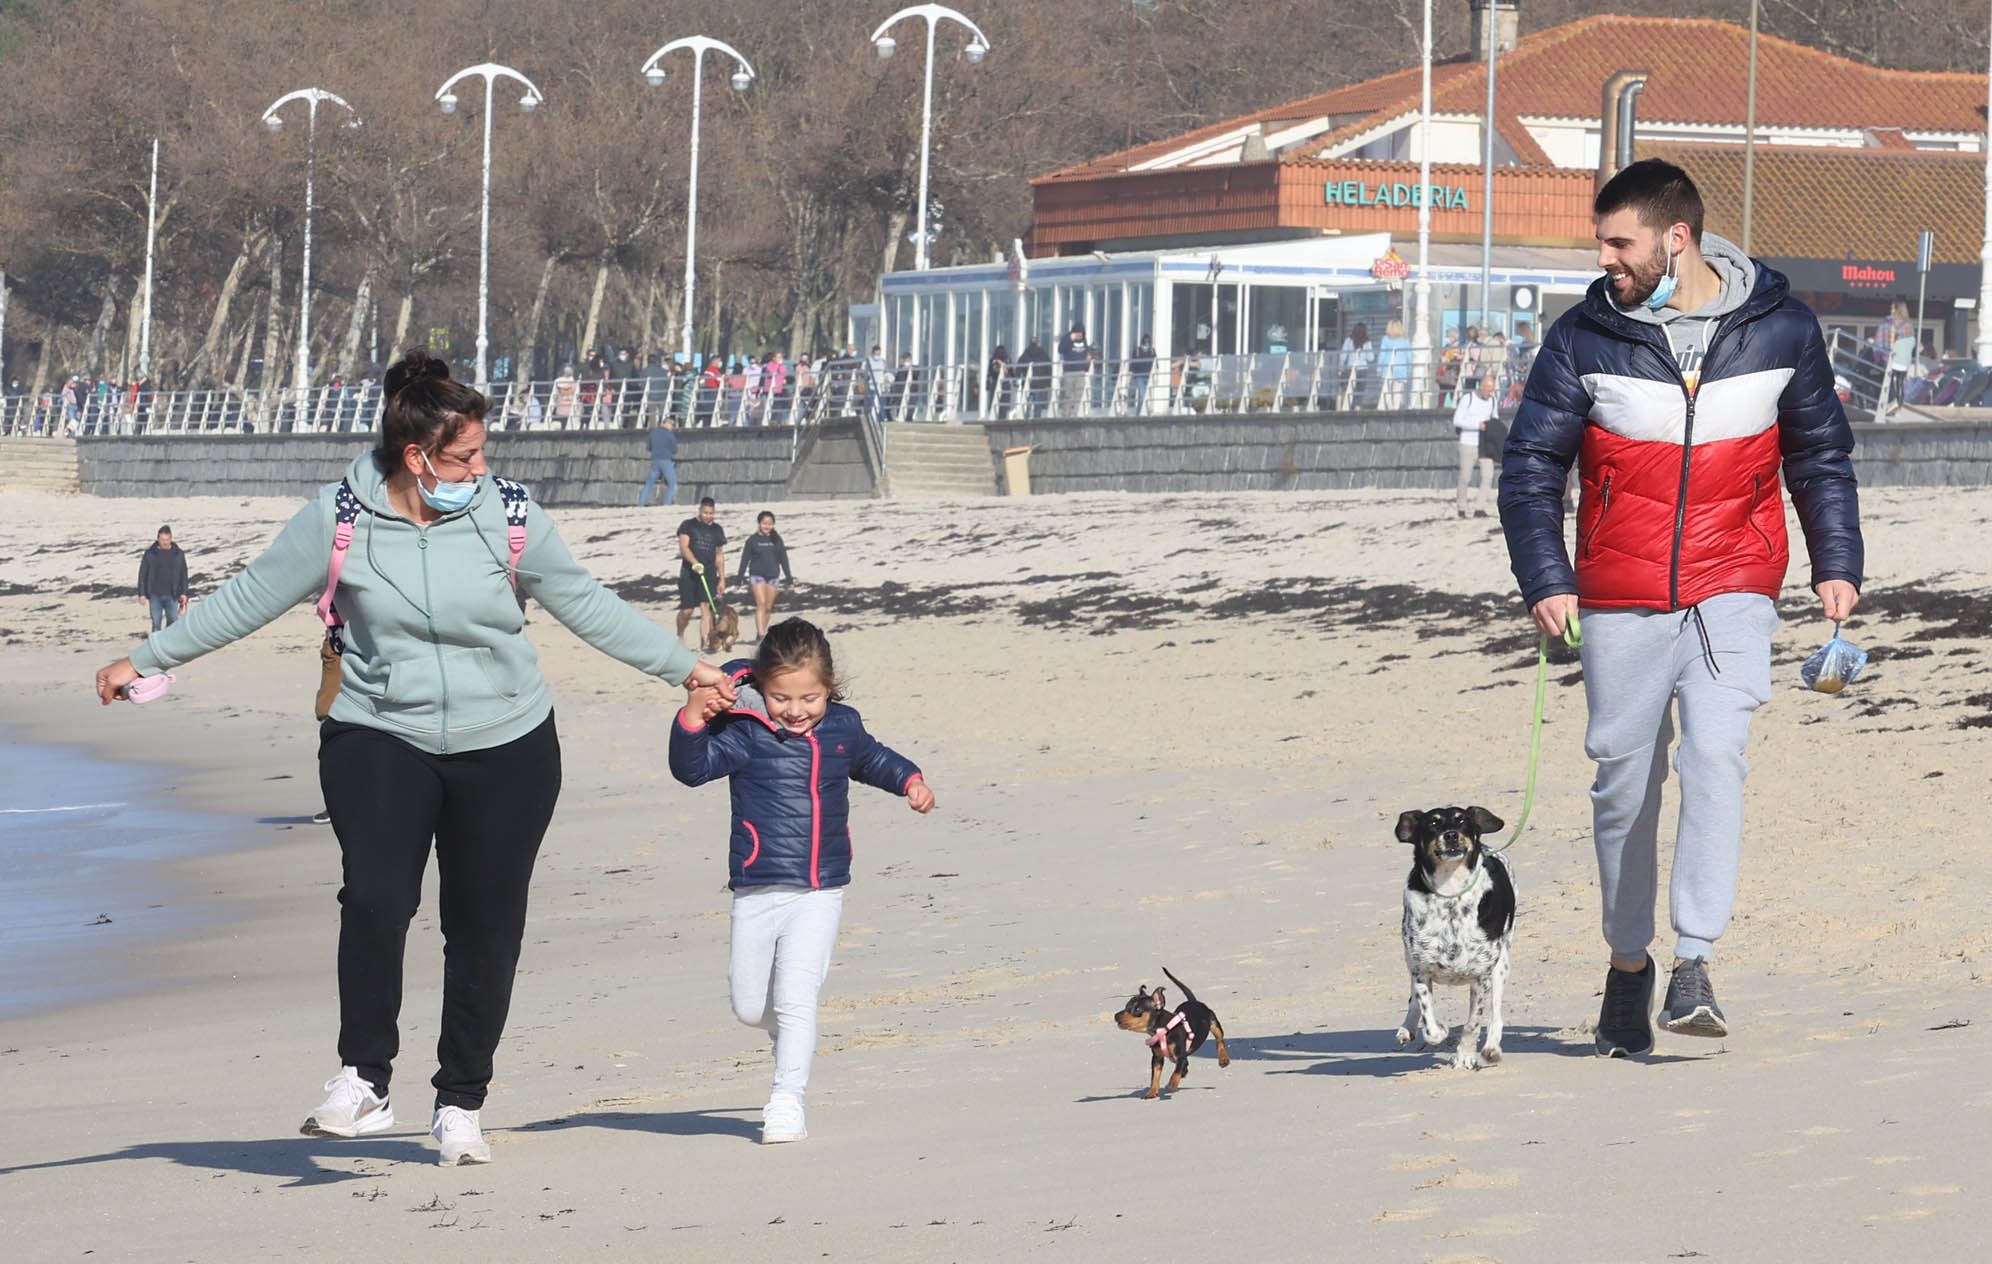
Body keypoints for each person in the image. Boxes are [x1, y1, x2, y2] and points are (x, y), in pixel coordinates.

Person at [93, 349, 737, 1165]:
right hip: (377, 730)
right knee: (374, 895)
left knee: (484, 925)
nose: (480, 467)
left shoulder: (509, 513)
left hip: (507, 743)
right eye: (465, 456)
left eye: (480, 453)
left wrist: (688, 668)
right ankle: (362, 1079)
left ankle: (461, 1100)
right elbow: (248, 598)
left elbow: (584, 602)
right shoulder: (338, 518)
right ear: (416, 457)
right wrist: (146, 658)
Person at [1499, 158, 1863, 1058]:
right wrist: (1547, 579)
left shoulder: (1781, 328)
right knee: (1623, 785)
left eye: (1618, 243)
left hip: (1735, 588)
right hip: (1618, 596)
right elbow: (1531, 468)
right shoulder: (1584, 336)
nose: (1605, 259)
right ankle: (1630, 967)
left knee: (1716, 753)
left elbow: (1820, 452)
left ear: (1677, 238)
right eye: (1601, 243)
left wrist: (1837, 560)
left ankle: (1695, 957)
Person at [669, 618, 934, 1144]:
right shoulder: (744, 731)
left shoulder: (843, 727)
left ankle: (787, 1100)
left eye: (809, 697)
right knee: (749, 1007)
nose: (795, 710)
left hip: (820, 889)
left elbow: (873, 758)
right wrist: (694, 714)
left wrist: (910, 779)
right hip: (757, 886)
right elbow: (691, 768)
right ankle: (790, 1035)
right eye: (781, 697)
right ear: (761, 688)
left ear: (828, 689)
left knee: (796, 997)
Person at [676, 496, 728, 651]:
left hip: (709, 573)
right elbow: (684, 547)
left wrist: (722, 579)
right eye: (705, 513)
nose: (708, 516)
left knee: (706, 608)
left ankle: (705, 642)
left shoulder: (717, 529)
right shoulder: (688, 525)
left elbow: (719, 555)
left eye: (711, 513)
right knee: (687, 610)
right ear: (700, 510)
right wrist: (694, 563)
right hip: (689, 573)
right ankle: (680, 634)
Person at [735, 511, 794, 642]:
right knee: (761, 604)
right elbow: (744, 560)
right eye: (764, 523)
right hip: (757, 575)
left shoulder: (777, 540)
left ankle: (761, 632)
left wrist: (789, 579)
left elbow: (784, 559)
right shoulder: (752, 541)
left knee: (768, 607)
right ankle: (761, 635)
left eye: (770, 524)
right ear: (759, 523)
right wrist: (738, 580)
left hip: (773, 576)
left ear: (773, 525)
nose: (767, 526)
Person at [1452, 372, 1499, 517]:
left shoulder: (1493, 400)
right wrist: (1476, 425)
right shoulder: (1468, 399)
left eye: (1492, 389)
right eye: (1487, 388)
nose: (1490, 392)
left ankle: (1479, 507)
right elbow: (1457, 420)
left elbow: (1495, 418)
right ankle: (1461, 507)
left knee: (1488, 475)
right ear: (1482, 386)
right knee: (1465, 477)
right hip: (1468, 442)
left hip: (1485, 444)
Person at [136, 524, 190, 631]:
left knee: (173, 622)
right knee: (156, 623)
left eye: (167, 539)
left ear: (171, 538)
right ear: (158, 539)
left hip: (173, 595)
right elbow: (142, 574)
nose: (165, 542)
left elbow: (183, 574)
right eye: (162, 539)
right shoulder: (150, 553)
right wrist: (142, 594)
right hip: (155, 595)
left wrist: (184, 593)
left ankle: (169, 644)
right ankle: (157, 645)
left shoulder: (178, 554)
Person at [639, 417, 679, 507]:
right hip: (666, 461)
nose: (673, 428)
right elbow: (675, 450)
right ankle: (667, 504)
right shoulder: (669, 435)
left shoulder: (653, 433)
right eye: (673, 425)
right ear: (668, 423)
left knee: (649, 484)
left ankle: (641, 504)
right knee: (672, 483)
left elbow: (649, 447)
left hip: (655, 461)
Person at [1376, 319, 1411, 410]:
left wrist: (1379, 369)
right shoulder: (1405, 341)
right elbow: (1409, 356)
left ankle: (1389, 407)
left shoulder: (1385, 339)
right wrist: (1409, 369)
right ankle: (1395, 408)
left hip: (1388, 368)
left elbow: (1382, 354)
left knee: (1387, 389)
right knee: (1397, 390)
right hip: (1401, 368)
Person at [1057, 322, 1090, 414]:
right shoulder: (1067, 338)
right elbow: (1060, 349)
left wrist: (1087, 363)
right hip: (1069, 372)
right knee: (1068, 395)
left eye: (1081, 333)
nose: (1080, 335)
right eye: (1078, 332)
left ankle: (1075, 415)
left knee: (1079, 395)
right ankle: (1065, 415)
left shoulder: (1084, 341)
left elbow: (1086, 352)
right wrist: (1069, 339)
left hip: (1081, 372)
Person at [1016, 336, 1051, 418]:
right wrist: (1048, 382)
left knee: (1026, 404)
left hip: (1027, 383)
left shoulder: (1025, 354)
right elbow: (1048, 368)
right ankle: (1036, 420)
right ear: (1038, 343)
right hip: (1040, 383)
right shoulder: (1044, 354)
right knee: (1038, 406)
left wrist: (1017, 378)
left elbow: (1019, 367)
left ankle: (1026, 418)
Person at [1128, 334, 1156, 415]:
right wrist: (1129, 377)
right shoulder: (1137, 350)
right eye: (1145, 342)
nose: (1147, 344)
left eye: (1148, 342)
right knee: (1142, 395)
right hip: (1139, 376)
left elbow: (1155, 364)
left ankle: (1142, 412)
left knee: (1147, 396)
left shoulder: (1152, 350)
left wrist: (1155, 376)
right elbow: (1132, 365)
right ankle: (1140, 413)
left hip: (1149, 376)